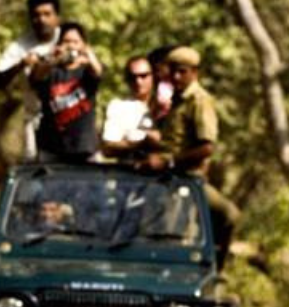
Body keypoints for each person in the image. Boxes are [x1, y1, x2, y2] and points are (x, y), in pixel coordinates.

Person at [142, 46, 241, 269]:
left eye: (182, 72)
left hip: (188, 179)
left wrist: (169, 161)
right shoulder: (174, 101)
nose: (176, 77)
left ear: (195, 72)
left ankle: (216, 269)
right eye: (173, 71)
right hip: (167, 178)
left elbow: (206, 148)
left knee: (228, 216)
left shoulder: (199, 101)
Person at [0, 0, 62, 161]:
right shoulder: (20, 47)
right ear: (30, 18)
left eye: (47, 14)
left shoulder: (67, 38)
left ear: (57, 17)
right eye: (36, 15)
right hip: (36, 121)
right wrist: (20, 65)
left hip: (69, 119)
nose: (42, 19)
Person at [30, 21, 104, 163]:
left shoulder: (86, 71)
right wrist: (54, 58)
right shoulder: (50, 70)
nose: (71, 46)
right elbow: (36, 76)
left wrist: (87, 55)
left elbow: (98, 72)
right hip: (52, 149)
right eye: (66, 41)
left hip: (84, 148)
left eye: (75, 42)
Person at [99, 55, 154, 162]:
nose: (138, 81)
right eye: (132, 77)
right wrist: (141, 144)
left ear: (153, 76)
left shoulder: (167, 104)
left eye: (143, 76)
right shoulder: (118, 107)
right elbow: (108, 148)